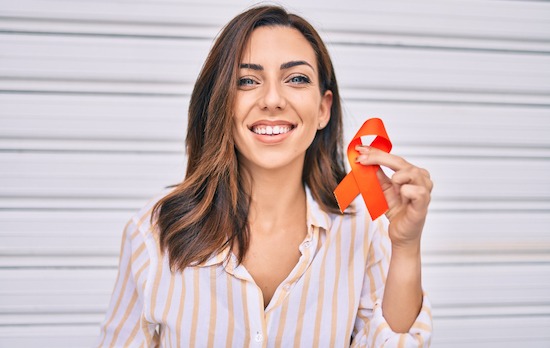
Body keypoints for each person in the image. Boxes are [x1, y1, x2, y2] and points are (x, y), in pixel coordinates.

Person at [97, 5, 433, 347]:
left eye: (297, 79)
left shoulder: (362, 228)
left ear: (322, 109)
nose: (272, 100)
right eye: (247, 81)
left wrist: (406, 246)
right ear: (221, 104)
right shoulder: (153, 235)